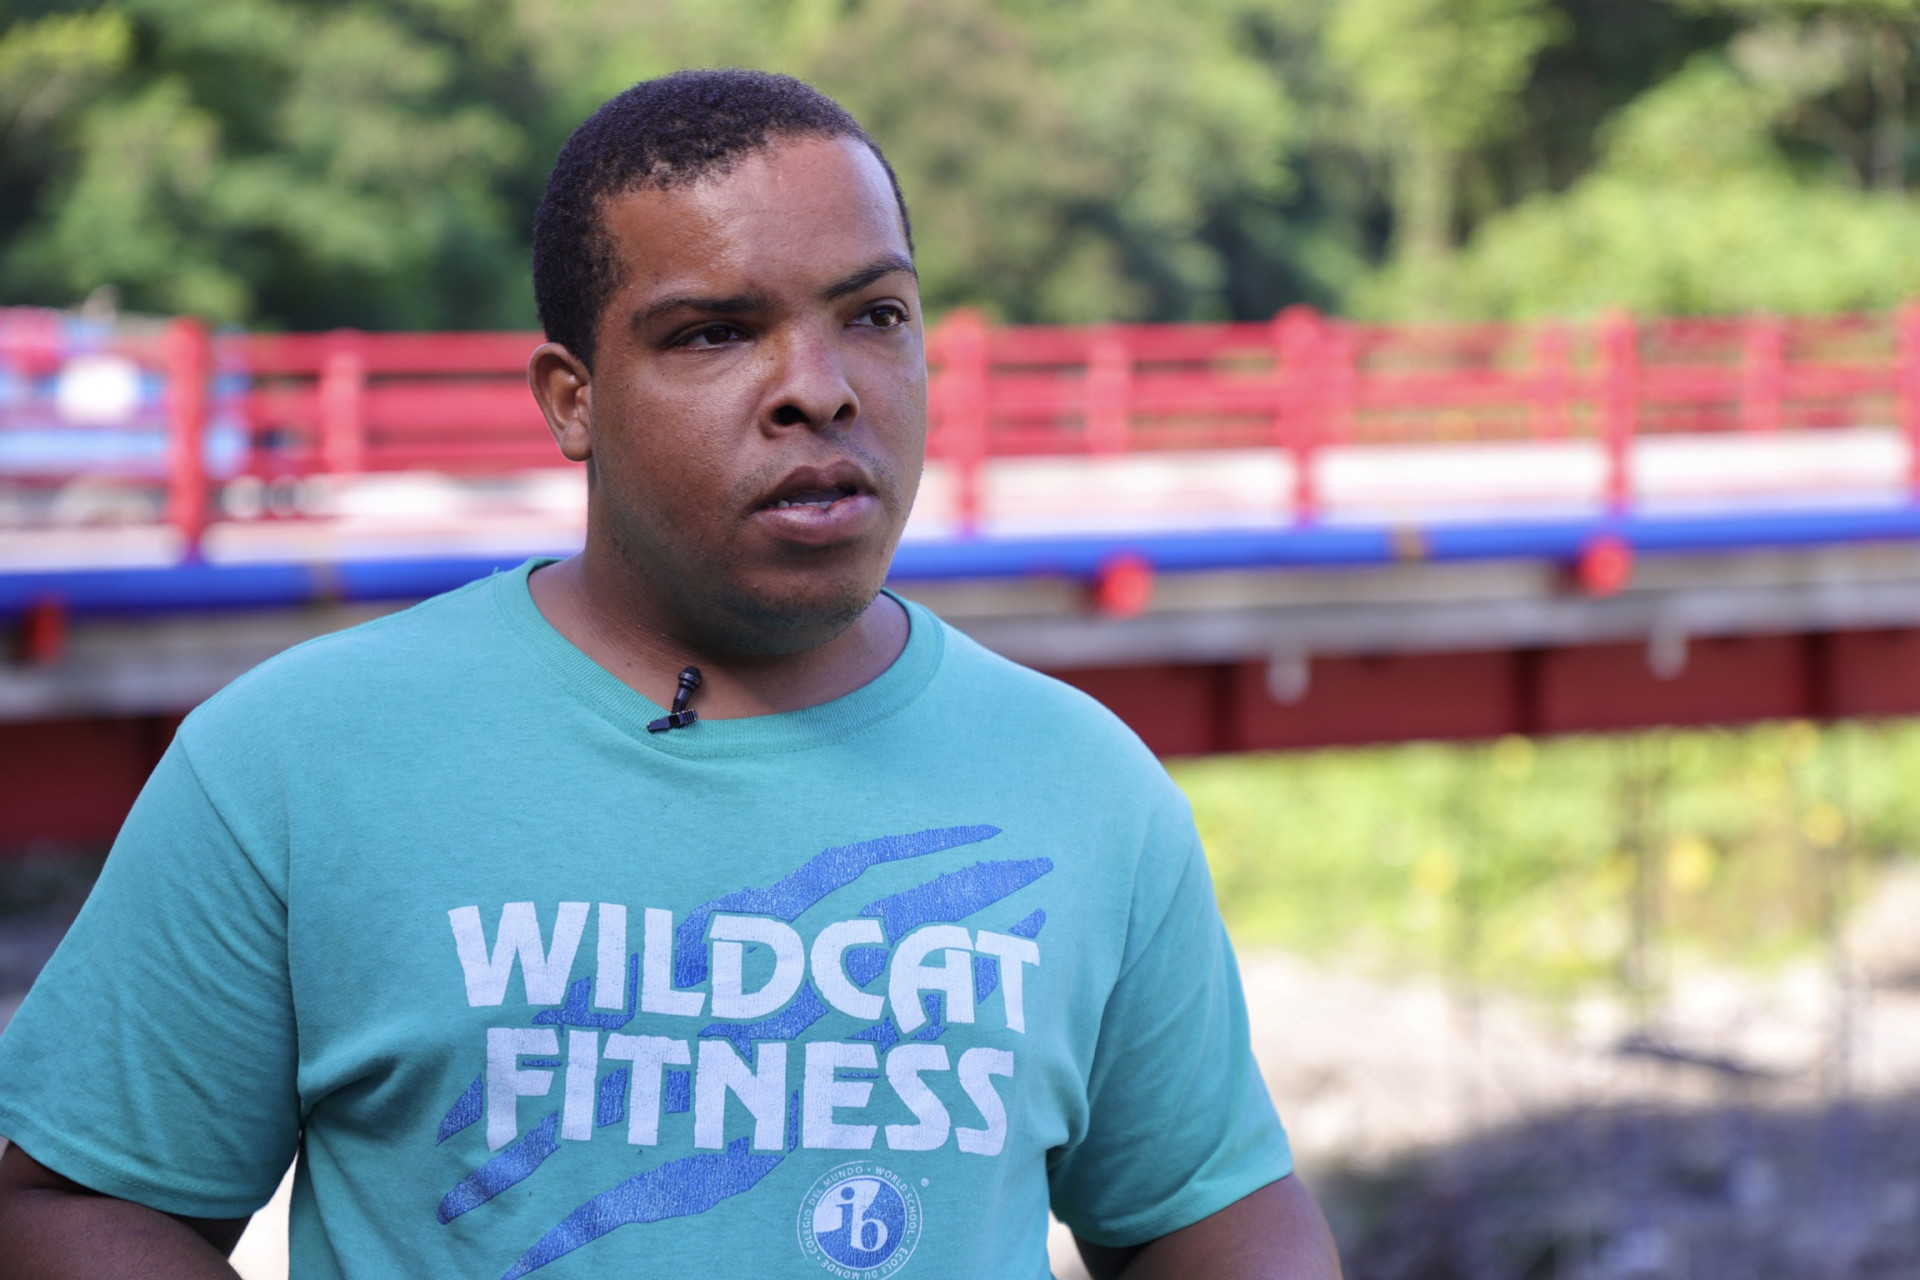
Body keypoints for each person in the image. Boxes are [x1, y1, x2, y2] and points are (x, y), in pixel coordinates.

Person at [0, 70, 1341, 1279]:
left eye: (876, 315)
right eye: (713, 332)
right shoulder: (294, 762)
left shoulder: (1086, 784)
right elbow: (71, 1203)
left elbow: (1213, 1217)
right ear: (571, 398)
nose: (820, 389)